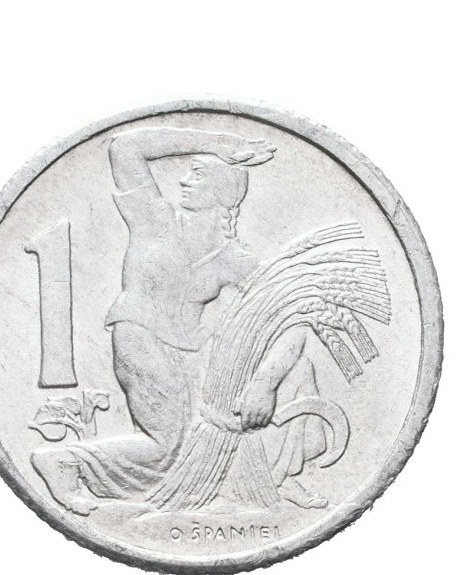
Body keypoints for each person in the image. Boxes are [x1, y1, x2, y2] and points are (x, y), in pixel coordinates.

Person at [32, 127, 328, 514]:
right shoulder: (154, 221)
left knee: (298, 371)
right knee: (167, 446)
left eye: (198, 174)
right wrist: (216, 142)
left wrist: (264, 384)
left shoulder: (234, 260)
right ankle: (64, 461)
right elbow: (125, 147)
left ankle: (277, 476)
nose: (184, 181)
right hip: (140, 336)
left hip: (193, 351)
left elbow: (292, 317)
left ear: (223, 192)